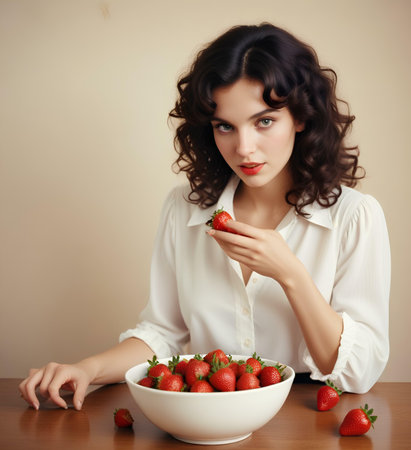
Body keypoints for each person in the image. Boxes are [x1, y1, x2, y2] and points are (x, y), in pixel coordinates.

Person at [19, 23, 390, 411]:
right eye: (225, 126)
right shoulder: (184, 208)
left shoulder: (354, 217)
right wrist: (86, 369)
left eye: (264, 121)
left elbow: (359, 372)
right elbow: (163, 332)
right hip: (206, 415)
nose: (244, 148)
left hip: (309, 417)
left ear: (300, 117)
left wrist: (290, 274)